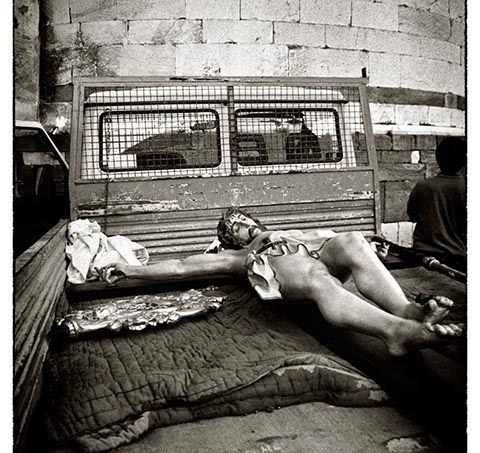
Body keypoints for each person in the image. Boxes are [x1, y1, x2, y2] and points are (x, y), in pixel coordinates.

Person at [98, 207, 464, 357]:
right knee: (311, 273)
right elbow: (180, 266)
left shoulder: (286, 231)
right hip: (293, 275)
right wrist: (130, 269)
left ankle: (407, 311)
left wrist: (368, 246)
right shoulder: (236, 257)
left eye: (241, 217)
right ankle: (394, 331)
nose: (239, 223)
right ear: (229, 240)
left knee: (353, 239)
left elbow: (334, 243)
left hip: (319, 253)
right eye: (231, 227)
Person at [407, 136, 466, 272]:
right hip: (455, 257)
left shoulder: (422, 186)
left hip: (421, 255)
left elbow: (413, 217)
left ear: (438, 159)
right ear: (465, 161)